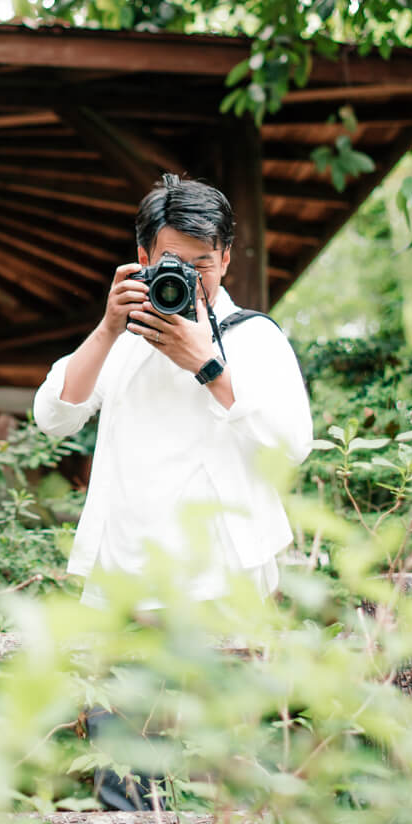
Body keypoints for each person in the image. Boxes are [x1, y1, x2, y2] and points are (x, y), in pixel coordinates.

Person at [32, 173, 313, 610]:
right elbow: (53, 419)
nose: (190, 277)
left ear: (225, 259)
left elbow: (293, 445)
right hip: (121, 580)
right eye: (173, 262)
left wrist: (208, 366)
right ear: (144, 257)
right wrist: (108, 327)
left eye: (201, 264)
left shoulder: (255, 337)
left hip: (224, 581)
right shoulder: (124, 340)